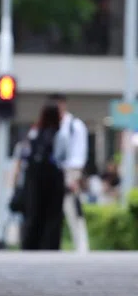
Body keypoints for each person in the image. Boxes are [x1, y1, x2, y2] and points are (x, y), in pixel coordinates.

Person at [20, 103, 66, 250]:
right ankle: (50, 245)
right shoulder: (60, 134)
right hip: (53, 179)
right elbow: (61, 157)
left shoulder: (34, 132)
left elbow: (25, 154)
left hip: (34, 178)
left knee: (34, 212)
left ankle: (30, 244)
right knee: (53, 215)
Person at [47, 93, 90, 252]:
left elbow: (80, 153)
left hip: (70, 172)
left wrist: (75, 176)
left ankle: (81, 247)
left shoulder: (74, 125)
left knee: (73, 210)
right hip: (52, 172)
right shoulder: (49, 125)